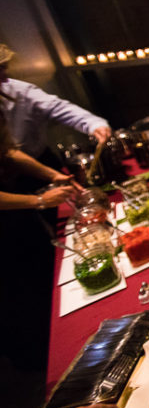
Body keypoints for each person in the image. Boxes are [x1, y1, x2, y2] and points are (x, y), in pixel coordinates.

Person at [0, 112, 79, 374]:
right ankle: (43, 370)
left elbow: (8, 152)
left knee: (42, 278)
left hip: (16, 224)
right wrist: (40, 201)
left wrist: (52, 175)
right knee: (18, 302)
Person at [0, 43, 111, 163]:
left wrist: (94, 124)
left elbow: (57, 107)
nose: (6, 77)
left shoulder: (19, 89)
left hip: (41, 159)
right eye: (0, 69)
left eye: (5, 67)